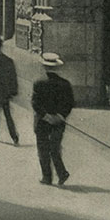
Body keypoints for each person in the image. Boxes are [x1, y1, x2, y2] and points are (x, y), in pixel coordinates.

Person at [32, 52, 74, 186]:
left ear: (44, 67)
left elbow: (35, 103)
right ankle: (62, 173)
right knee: (55, 148)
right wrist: (60, 116)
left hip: (43, 121)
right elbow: (70, 103)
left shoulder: (39, 83)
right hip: (59, 122)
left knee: (43, 149)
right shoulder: (65, 84)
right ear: (56, 68)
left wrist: (46, 116)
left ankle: (47, 177)